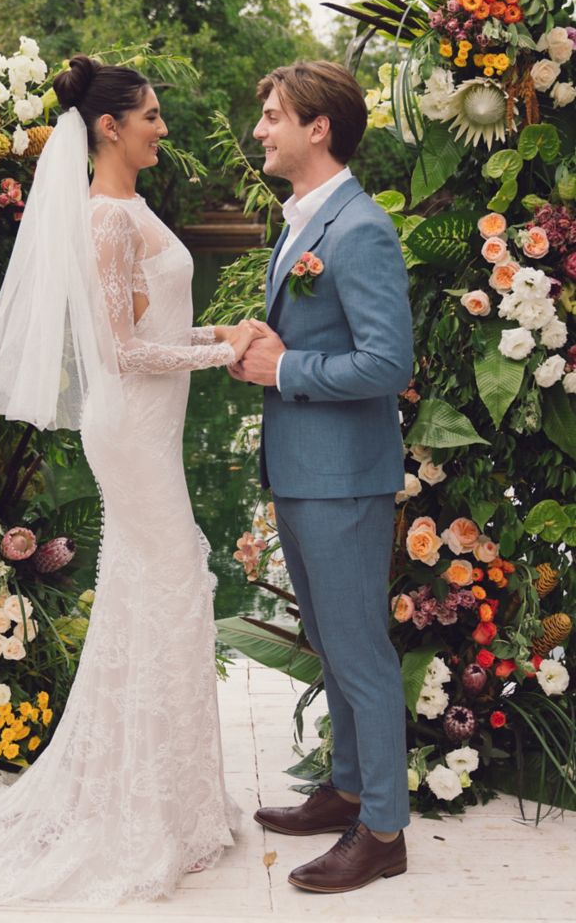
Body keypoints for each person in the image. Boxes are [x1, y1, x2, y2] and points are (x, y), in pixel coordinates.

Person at [0, 57, 255, 905]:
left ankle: (168, 798)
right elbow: (122, 353)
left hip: (151, 429)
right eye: (152, 118)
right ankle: (142, 807)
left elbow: (151, 321)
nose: (162, 130)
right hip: (131, 430)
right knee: (169, 585)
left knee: (154, 594)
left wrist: (218, 327)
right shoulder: (105, 219)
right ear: (110, 128)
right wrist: (225, 354)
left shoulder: (133, 210)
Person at [229, 61, 413, 892]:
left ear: (318, 129)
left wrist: (286, 369)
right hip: (305, 472)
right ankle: (345, 789)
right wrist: (259, 352)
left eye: (273, 116)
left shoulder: (360, 227)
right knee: (333, 647)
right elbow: (299, 340)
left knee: (360, 652)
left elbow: (387, 362)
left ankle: (383, 830)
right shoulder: (305, 221)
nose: (260, 129)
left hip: (344, 479)